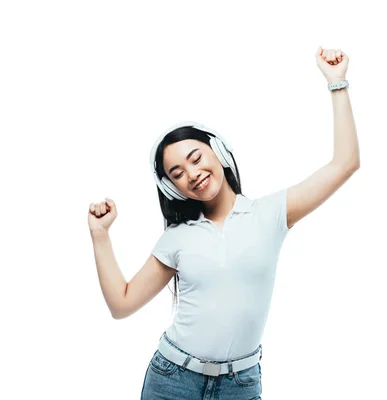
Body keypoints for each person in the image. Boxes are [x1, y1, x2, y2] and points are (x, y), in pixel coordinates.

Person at [88, 46, 360, 400]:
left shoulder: (271, 213)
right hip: (172, 379)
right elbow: (121, 305)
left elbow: (345, 163)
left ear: (218, 149)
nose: (193, 174)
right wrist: (100, 235)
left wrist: (337, 84)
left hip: (240, 385)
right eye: (177, 173)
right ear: (172, 187)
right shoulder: (177, 238)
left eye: (196, 157)